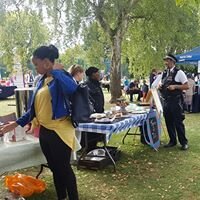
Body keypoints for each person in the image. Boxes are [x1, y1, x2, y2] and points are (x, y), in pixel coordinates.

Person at [0, 45, 79, 200]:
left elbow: (72, 89)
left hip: (60, 131)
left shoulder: (60, 76)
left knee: (64, 169)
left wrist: (55, 70)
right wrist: (14, 124)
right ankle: (61, 197)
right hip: (45, 132)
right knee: (55, 169)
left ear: (46, 62)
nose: (35, 68)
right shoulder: (41, 81)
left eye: (36, 64)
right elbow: (33, 111)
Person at [159, 54, 189, 150]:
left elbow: (186, 86)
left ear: (172, 61)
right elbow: (163, 84)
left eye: (167, 61)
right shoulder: (164, 73)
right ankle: (172, 141)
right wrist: (160, 86)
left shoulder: (179, 72)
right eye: (165, 61)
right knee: (169, 122)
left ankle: (184, 142)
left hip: (176, 101)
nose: (165, 63)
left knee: (178, 122)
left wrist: (175, 86)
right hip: (166, 101)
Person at [81, 66, 105, 152]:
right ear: (92, 74)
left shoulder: (97, 84)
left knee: (97, 134)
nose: (99, 74)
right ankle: (89, 149)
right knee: (91, 134)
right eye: (97, 73)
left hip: (100, 112)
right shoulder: (87, 85)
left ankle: (94, 147)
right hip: (93, 114)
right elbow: (88, 100)